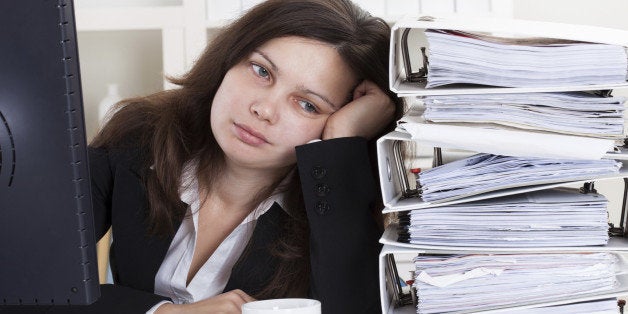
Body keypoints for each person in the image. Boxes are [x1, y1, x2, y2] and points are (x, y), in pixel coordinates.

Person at [88, 0, 402, 313]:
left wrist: (342, 139)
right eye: (261, 71)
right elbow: (42, 281)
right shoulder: (141, 135)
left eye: (308, 104)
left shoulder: (334, 207)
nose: (263, 110)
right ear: (229, 58)